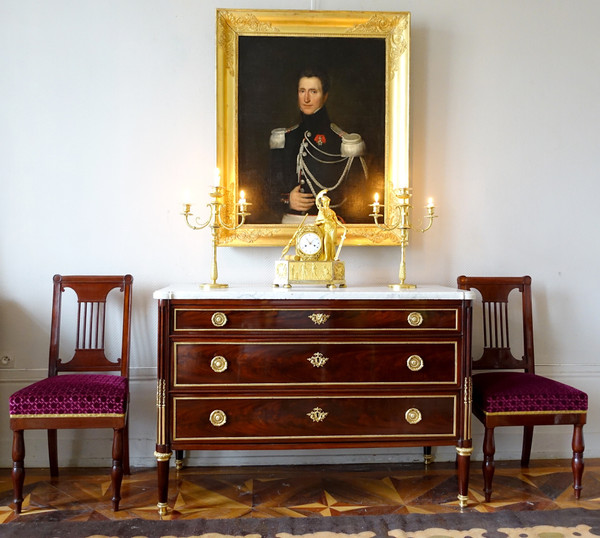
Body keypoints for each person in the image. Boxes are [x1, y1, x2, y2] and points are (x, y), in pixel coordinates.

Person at [266, 67, 368, 224]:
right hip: (288, 227)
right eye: (302, 91)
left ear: (325, 96)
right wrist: (288, 200)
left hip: (329, 226)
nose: (306, 98)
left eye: (313, 92)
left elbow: (359, 197)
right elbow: (265, 193)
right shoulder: (284, 139)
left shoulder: (344, 142)